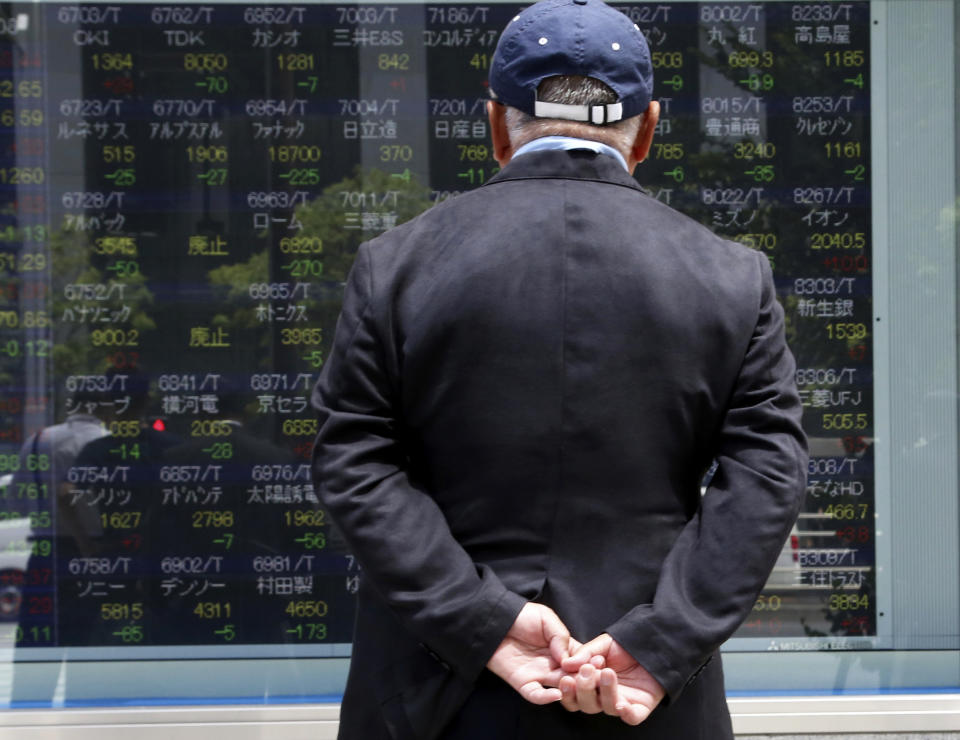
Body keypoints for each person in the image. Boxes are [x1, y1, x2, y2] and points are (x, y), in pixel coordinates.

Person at [311, 0, 807, 737]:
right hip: (646, 697)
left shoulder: (395, 266)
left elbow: (354, 462)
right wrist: (660, 640)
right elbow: (766, 477)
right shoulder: (734, 277)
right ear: (647, 130)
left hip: (432, 699)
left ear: (494, 125)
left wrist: (484, 620)